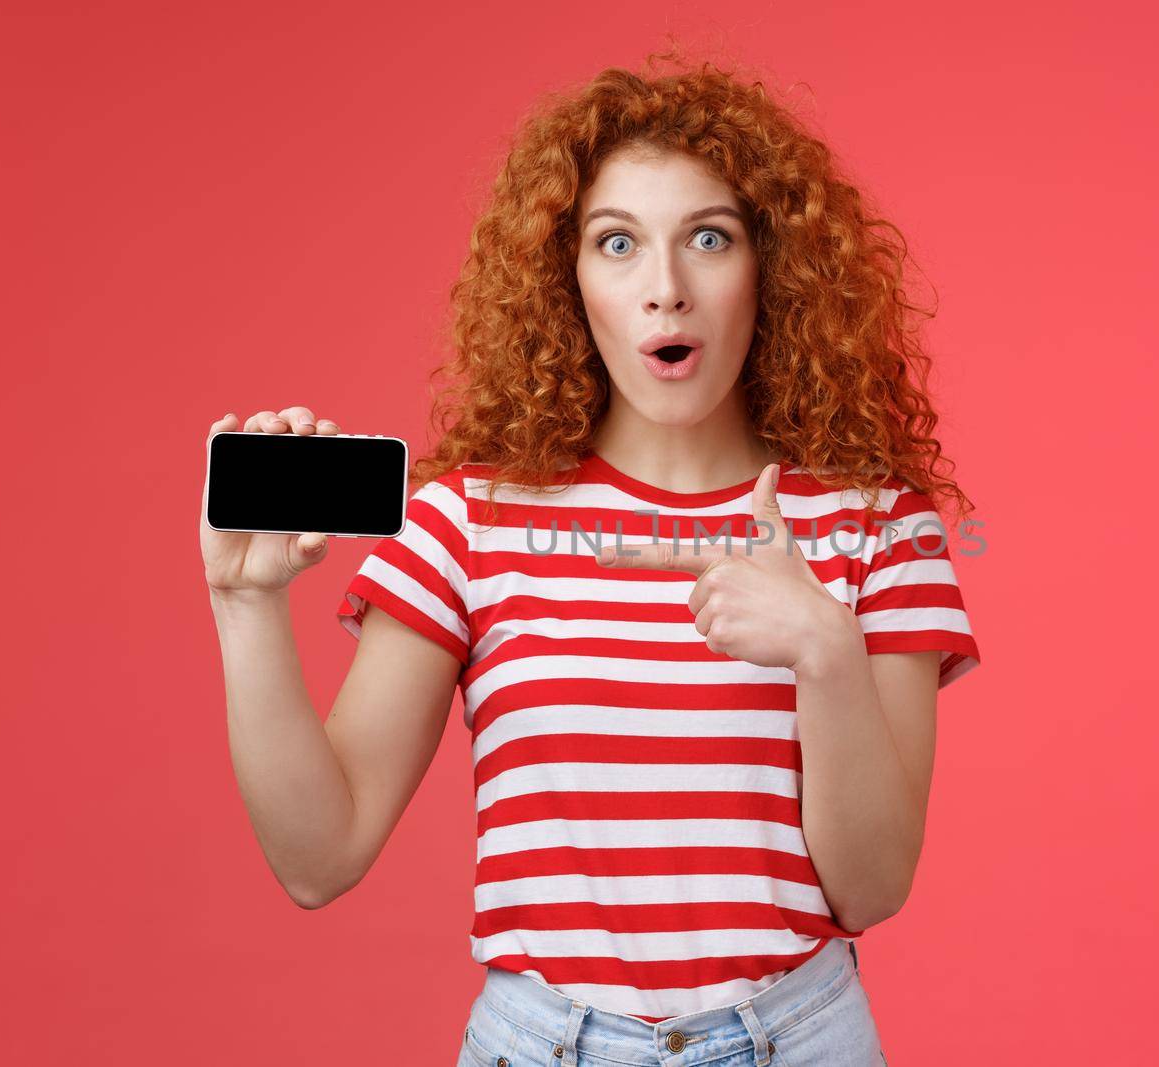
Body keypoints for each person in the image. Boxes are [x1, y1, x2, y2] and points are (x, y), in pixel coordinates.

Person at [201, 50, 980, 1067]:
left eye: (708, 238)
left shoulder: (879, 525)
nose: (666, 289)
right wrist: (244, 607)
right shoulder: (466, 521)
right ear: (567, 280)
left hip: (802, 1038)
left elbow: (871, 887)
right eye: (618, 244)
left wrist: (823, 653)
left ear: (771, 268)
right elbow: (319, 856)